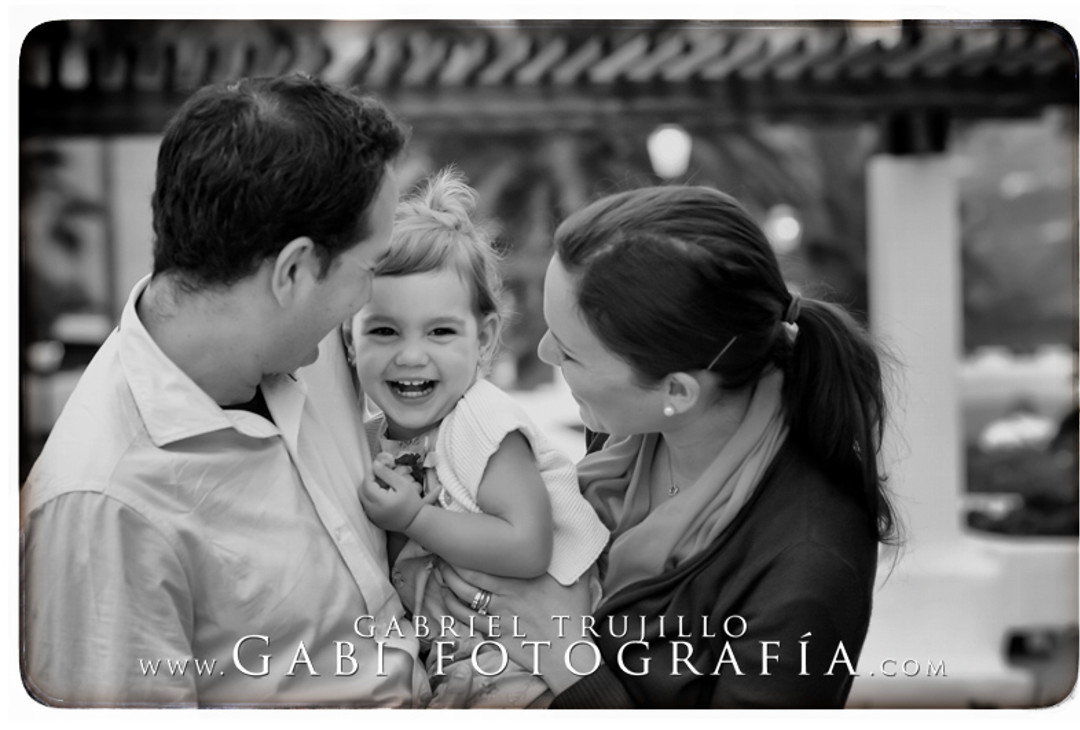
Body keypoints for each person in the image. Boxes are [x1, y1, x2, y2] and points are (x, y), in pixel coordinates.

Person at [20, 74, 431, 707]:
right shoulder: (104, 507)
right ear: (293, 271)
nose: (369, 299)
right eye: (368, 270)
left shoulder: (304, 346)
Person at [435, 184, 898, 708]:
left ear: (678, 390)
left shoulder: (809, 564)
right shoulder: (630, 435)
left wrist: (565, 655)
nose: (544, 352)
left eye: (570, 352)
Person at [350, 169, 608, 707]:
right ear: (349, 340)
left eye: (440, 331)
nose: (412, 354)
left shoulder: (482, 423)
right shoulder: (372, 437)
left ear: (484, 339)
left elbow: (527, 545)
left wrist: (415, 520)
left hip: (530, 677)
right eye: (384, 330)